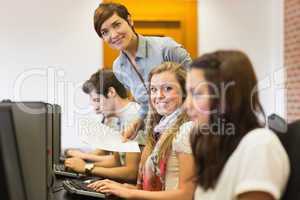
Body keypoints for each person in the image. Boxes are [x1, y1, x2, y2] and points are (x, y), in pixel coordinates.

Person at [185, 50, 290, 199]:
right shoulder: (217, 147)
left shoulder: (259, 145)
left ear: (227, 97)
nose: (187, 105)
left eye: (197, 93)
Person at [87, 62, 196, 200]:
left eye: (168, 88)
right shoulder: (161, 128)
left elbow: (186, 195)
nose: (158, 95)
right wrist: (123, 188)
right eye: (153, 89)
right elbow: (161, 187)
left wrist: (130, 193)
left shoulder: (186, 130)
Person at [93, 2, 192, 141]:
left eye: (117, 25)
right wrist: (137, 123)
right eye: (105, 32)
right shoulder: (118, 68)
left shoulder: (167, 48)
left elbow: (198, 90)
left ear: (129, 20)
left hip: (184, 131)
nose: (113, 34)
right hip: (155, 134)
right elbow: (146, 105)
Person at [64, 69, 144, 182]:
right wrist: (81, 165)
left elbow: (131, 172)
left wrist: (87, 168)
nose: (95, 108)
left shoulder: (133, 116)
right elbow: (116, 161)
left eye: (97, 100)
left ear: (111, 92)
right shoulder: (119, 118)